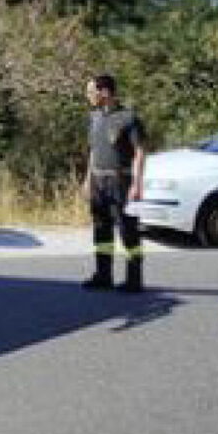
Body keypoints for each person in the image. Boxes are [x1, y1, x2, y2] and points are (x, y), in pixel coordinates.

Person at [81, 73, 150, 293]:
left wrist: (137, 185)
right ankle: (103, 275)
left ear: (105, 92)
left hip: (121, 181)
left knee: (128, 230)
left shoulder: (128, 118)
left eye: (92, 92)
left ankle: (134, 279)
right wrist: (87, 179)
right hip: (98, 181)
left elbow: (139, 152)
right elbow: (93, 151)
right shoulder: (94, 117)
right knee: (101, 230)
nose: (89, 96)